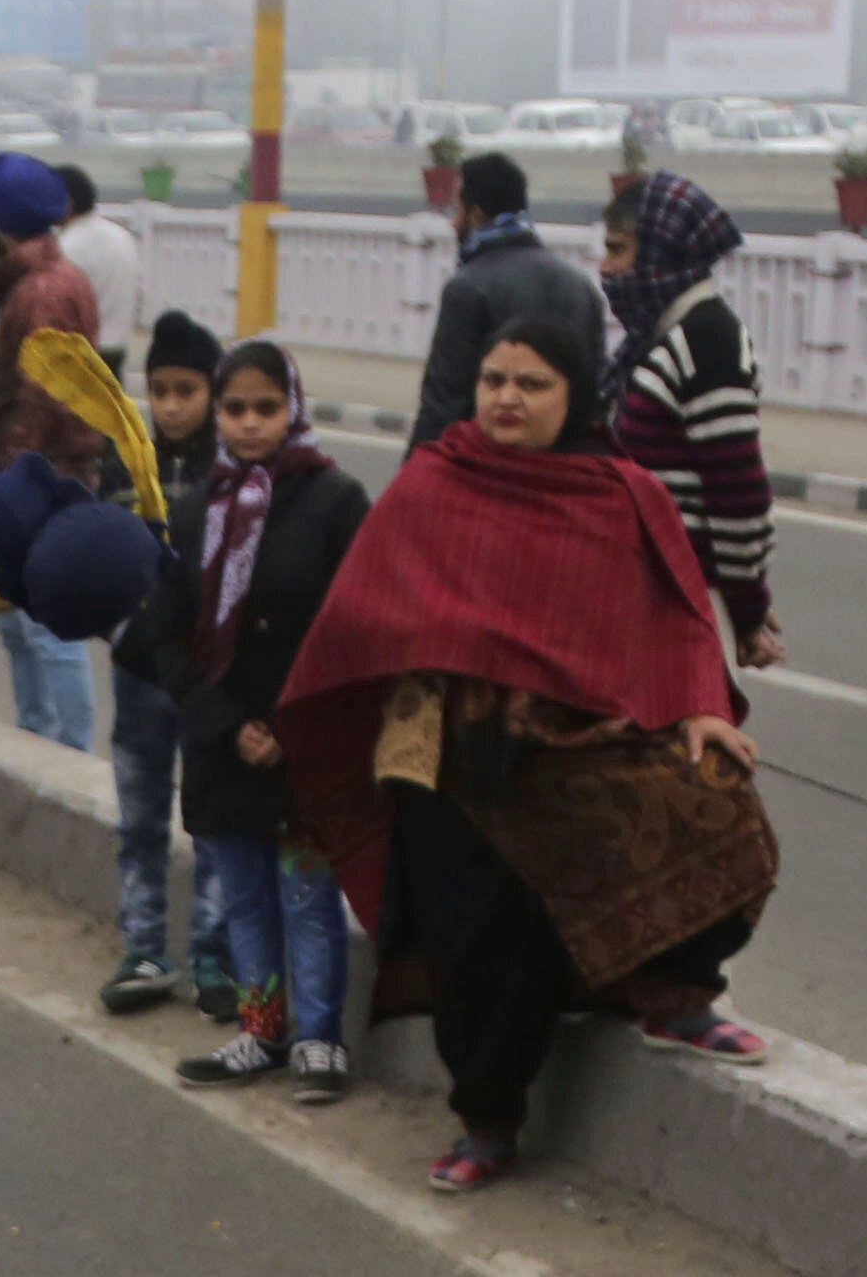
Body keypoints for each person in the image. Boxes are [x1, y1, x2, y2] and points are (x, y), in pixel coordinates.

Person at [269, 314, 760, 1187]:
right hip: (460, 758)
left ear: (575, 396)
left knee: (714, 796)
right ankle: (487, 1124)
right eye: (494, 379)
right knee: (483, 932)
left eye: (532, 384)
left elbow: (678, 618)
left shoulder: (620, 492)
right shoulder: (433, 482)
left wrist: (699, 707)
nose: (506, 398)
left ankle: (674, 995)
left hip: (584, 745)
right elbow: (360, 616)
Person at [151, 343, 374, 1104]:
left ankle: (318, 1039)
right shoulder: (194, 512)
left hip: (306, 744)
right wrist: (228, 724)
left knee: (309, 899)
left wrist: (289, 723)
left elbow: (356, 625)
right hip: (221, 747)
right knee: (243, 897)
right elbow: (166, 638)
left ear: (293, 409)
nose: (250, 425)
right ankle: (263, 1029)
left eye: (266, 408)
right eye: (236, 409)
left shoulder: (337, 501)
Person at [597, 170, 782, 1058]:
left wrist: (747, 612)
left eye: (620, 251)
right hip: (620, 607)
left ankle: (684, 989)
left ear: (664, 257)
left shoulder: (705, 340)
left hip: (674, 612)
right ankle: (623, 968)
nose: (607, 269)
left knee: (689, 795)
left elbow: (737, 490)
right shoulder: (650, 341)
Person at [97, 311, 226, 1013]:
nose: (172, 406)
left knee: (210, 820)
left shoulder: (230, 470)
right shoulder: (123, 458)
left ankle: (215, 959)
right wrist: (118, 629)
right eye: (161, 390)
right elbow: (95, 554)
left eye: (187, 390)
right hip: (141, 673)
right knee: (141, 819)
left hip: (207, 680)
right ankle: (144, 949)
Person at [0, 155, 107, 752]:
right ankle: (35, 733)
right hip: (49, 471)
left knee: (46, 626)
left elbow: (40, 398)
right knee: (12, 617)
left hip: (44, 476)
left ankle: (68, 748)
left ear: (0, 223)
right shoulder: (54, 278)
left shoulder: (41, 290)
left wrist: (10, 482)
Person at [413, 152, 611, 449]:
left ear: (476, 215)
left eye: (456, 211)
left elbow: (444, 405)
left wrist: (414, 481)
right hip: (570, 468)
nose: (453, 224)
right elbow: (597, 397)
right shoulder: (580, 285)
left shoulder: (467, 288)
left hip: (493, 468)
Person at [51, 163, 147, 371]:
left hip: (82, 357)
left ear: (67, 203)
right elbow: (139, 294)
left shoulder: (66, 247)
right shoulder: (122, 236)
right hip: (117, 351)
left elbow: (58, 308)